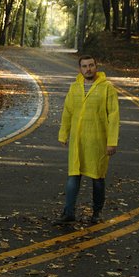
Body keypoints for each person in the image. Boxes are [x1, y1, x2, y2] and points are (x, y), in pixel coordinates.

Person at [55, 54, 120, 224]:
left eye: (91, 65)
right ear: (80, 69)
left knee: (97, 178)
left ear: (96, 66)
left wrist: (112, 142)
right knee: (73, 176)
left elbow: (114, 116)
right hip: (78, 140)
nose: (88, 69)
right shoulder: (75, 87)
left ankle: (96, 213)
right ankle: (68, 213)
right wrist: (63, 134)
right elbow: (68, 111)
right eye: (84, 66)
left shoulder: (107, 88)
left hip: (98, 141)